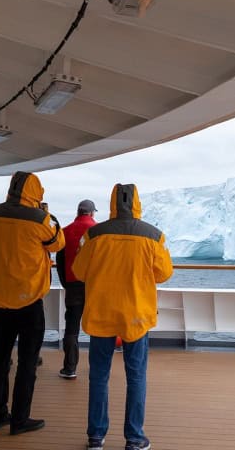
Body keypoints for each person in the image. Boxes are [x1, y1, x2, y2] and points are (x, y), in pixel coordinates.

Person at [73, 183, 173, 450]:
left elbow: (79, 271)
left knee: (98, 376)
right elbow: (164, 274)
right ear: (137, 202)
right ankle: (135, 438)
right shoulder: (154, 236)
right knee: (137, 376)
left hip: (101, 314)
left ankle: (96, 436)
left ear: (113, 203)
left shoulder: (94, 234)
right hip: (136, 316)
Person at [0, 171, 64, 435]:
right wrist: (48, 215)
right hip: (28, 299)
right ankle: (19, 419)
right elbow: (57, 244)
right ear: (35, 191)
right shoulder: (40, 218)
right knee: (27, 362)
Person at [55, 199, 97, 379]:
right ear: (92, 213)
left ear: (78, 212)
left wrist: (66, 283)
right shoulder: (99, 231)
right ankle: (98, 367)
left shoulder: (65, 231)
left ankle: (70, 368)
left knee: (72, 327)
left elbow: (60, 261)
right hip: (94, 286)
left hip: (73, 285)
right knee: (98, 327)